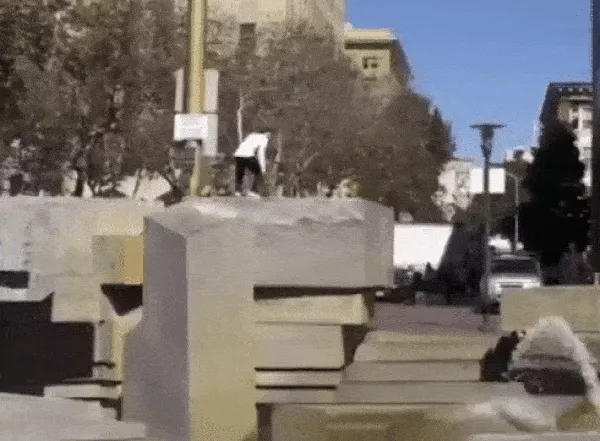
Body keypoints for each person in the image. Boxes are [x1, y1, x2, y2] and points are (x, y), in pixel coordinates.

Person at [234, 128, 272, 197]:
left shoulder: (252, 135)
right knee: (258, 173)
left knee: (240, 172)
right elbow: (261, 153)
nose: (269, 137)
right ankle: (253, 190)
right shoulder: (264, 139)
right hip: (248, 155)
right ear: (266, 134)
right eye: (269, 135)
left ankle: (238, 191)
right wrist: (262, 167)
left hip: (238, 154)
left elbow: (244, 144)